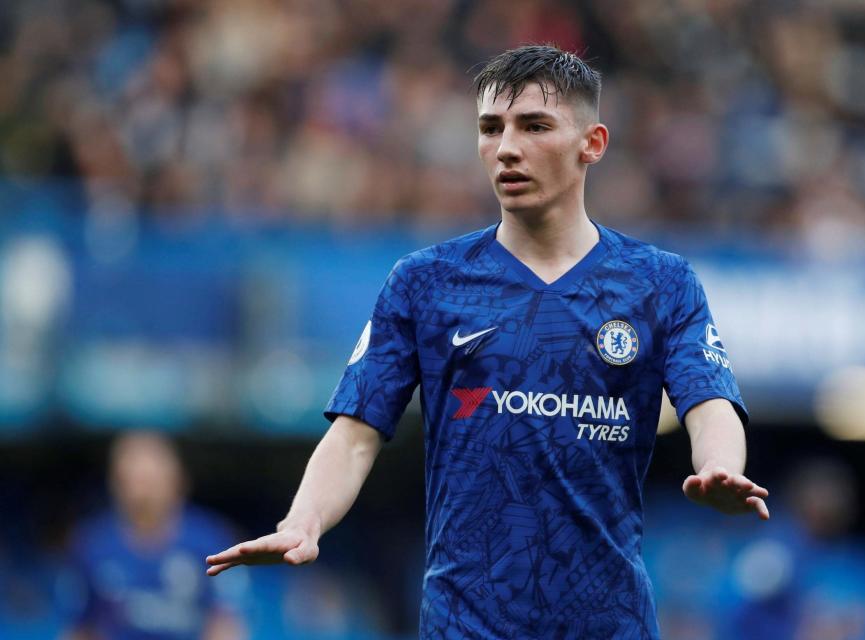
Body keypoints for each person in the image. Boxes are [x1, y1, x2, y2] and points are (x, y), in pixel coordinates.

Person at [207, 44, 769, 639]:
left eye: (534, 126)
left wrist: (720, 468)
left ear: (592, 144)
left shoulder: (659, 282)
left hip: (609, 625)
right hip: (467, 625)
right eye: (490, 127)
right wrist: (303, 521)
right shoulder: (424, 282)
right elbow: (354, 434)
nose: (506, 148)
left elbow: (708, 401)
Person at [62, 431, 247, 640]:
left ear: (177, 480)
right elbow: (79, 628)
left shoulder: (210, 540)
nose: (142, 492)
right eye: (132, 479)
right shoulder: (92, 544)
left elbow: (226, 623)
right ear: (115, 483)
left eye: (150, 479)